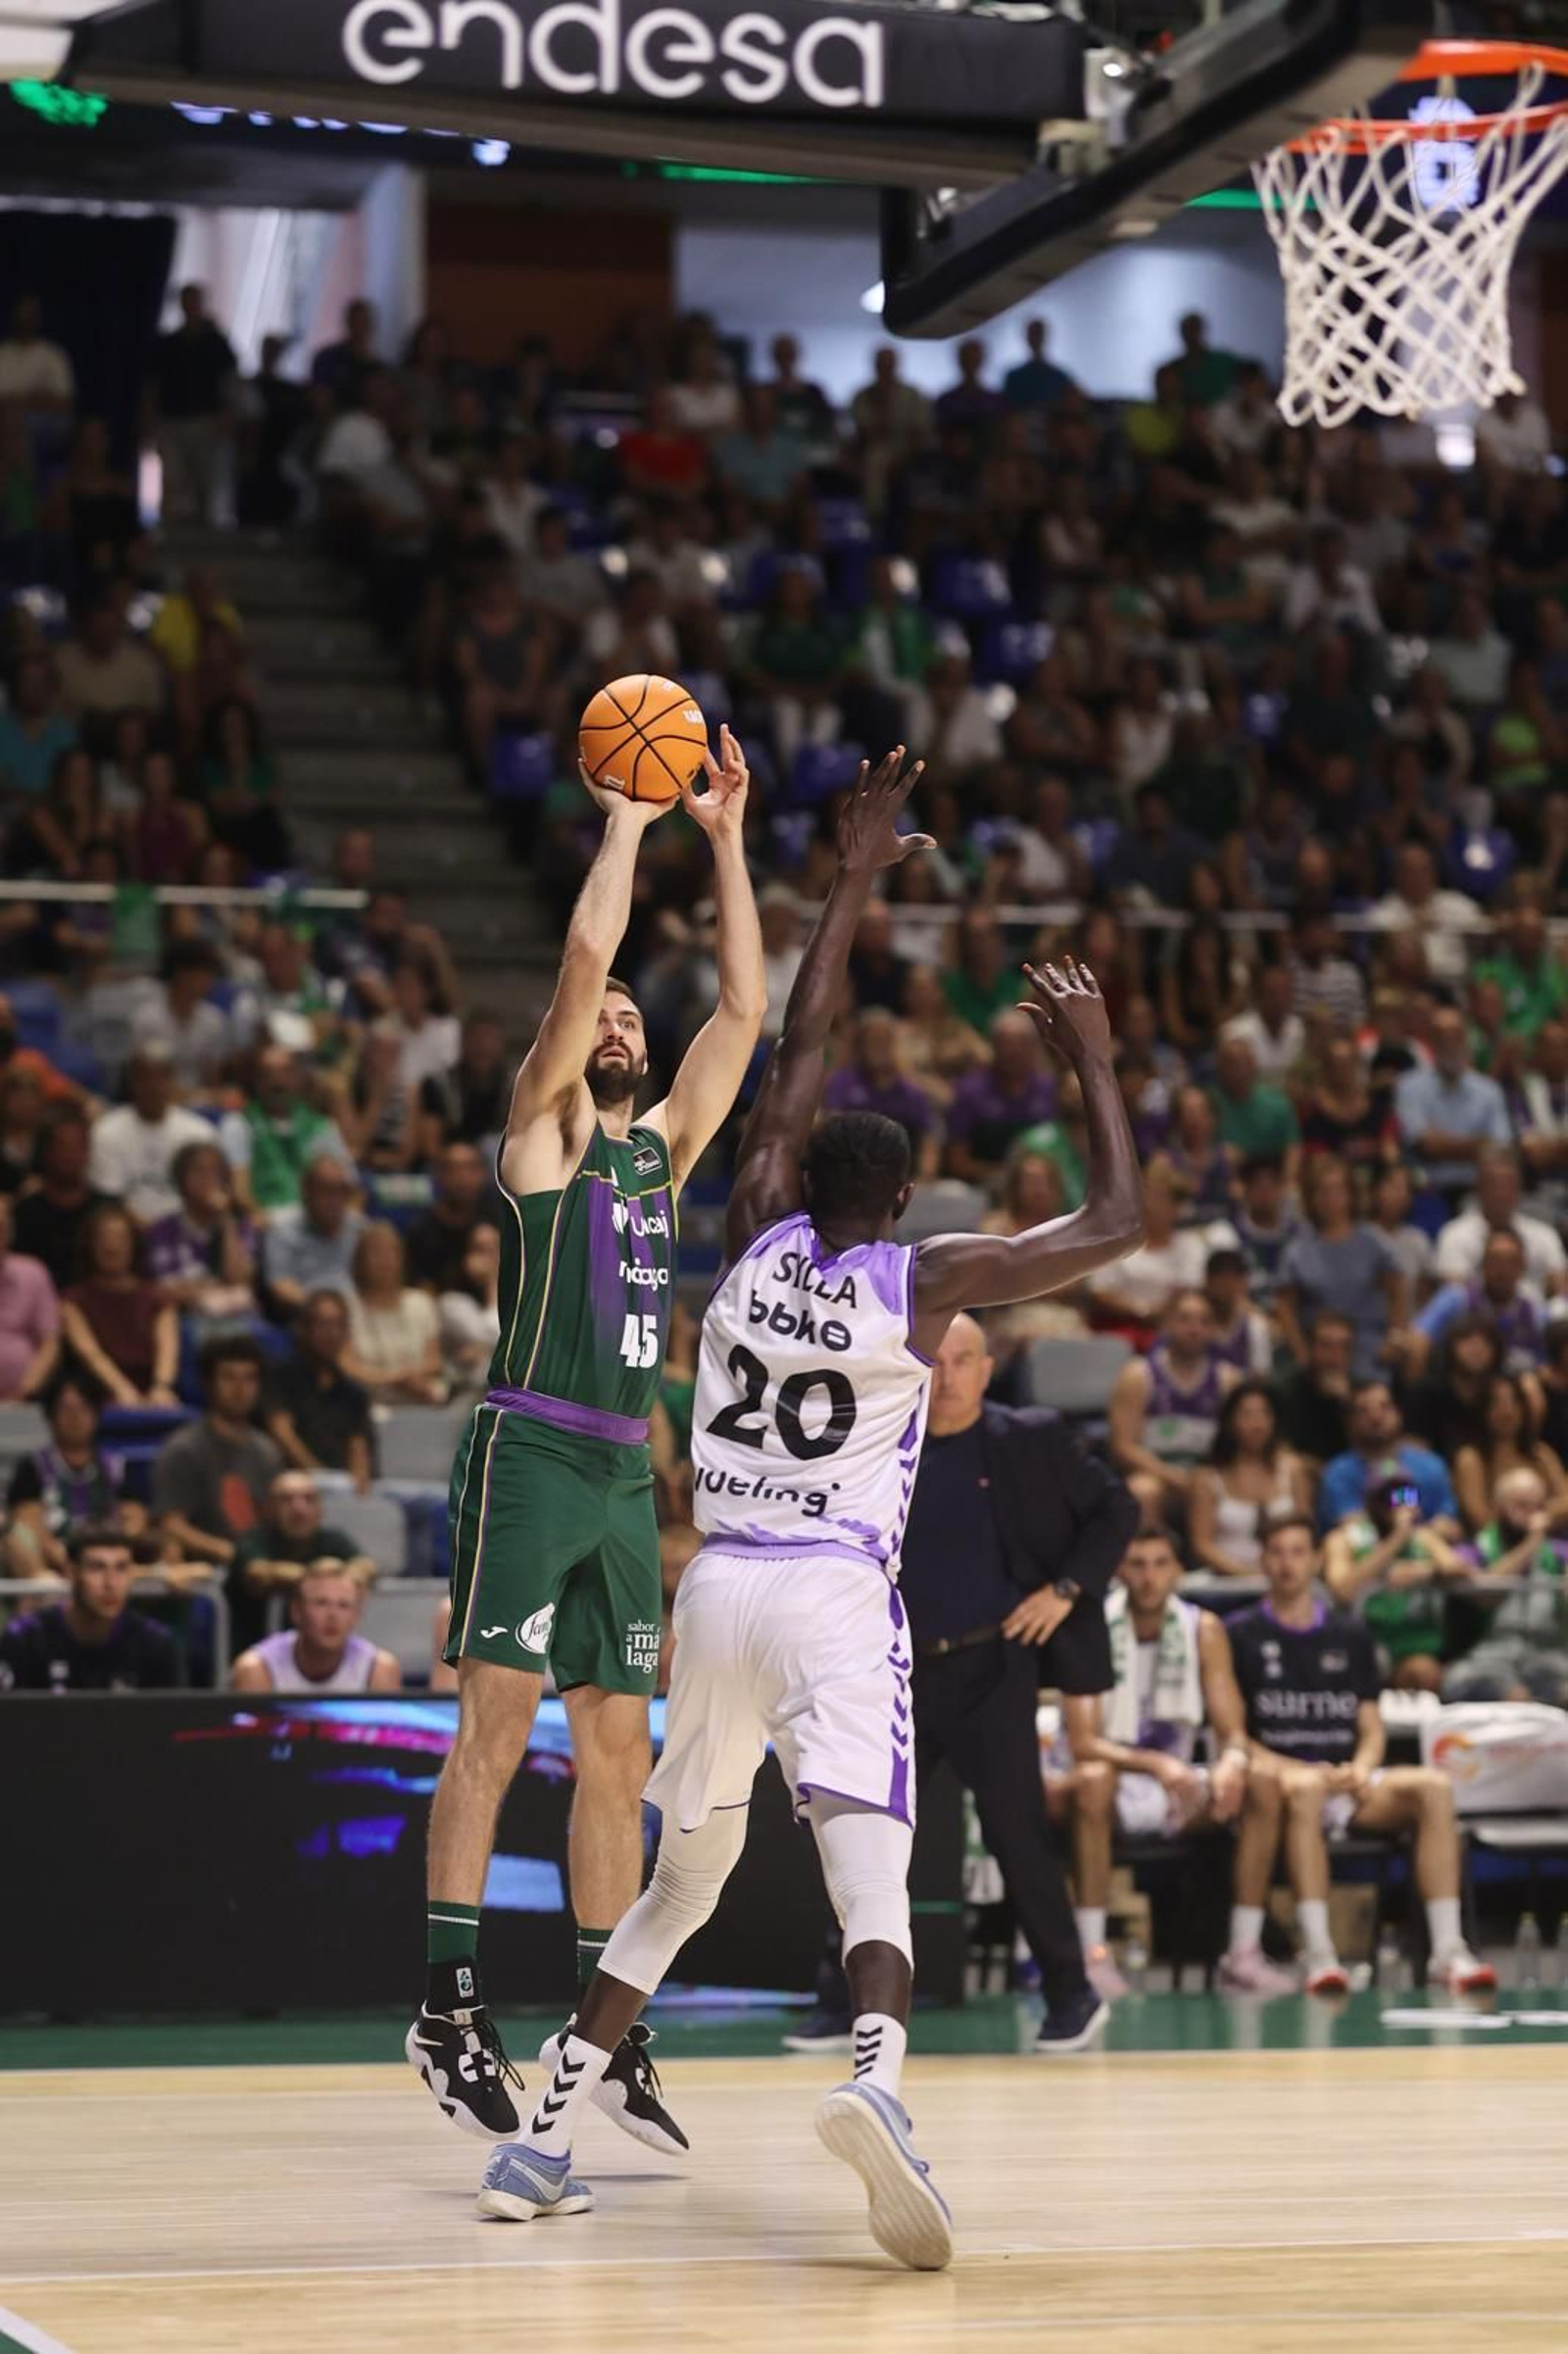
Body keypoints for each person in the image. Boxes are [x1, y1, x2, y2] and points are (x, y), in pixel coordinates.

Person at [477, 756, 1142, 2262]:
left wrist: (847, 878)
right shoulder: (926, 1282)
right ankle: (878, 2081)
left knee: (683, 1878)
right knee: (869, 1852)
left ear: (802, 1178)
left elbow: (796, 1043)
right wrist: (1093, 1059)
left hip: (715, 1584)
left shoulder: (749, 1222)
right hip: (835, 1588)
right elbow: (1117, 1222)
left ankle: (543, 2131)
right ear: (900, 1204)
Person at [410, 724, 765, 2155]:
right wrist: (624, 821)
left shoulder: (660, 1153)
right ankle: (447, 2007)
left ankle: (605, 2026)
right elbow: (578, 961)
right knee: (495, 1730)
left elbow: (742, 1010)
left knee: (619, 1756)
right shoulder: (544, 1137)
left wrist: (726, 842)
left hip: (623, 1470)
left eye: (630, 1015)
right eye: (603, 1016)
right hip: (530, 1450)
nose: (617, 1021)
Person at [793, 1312, 1137, 2045]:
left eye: (963, 1361)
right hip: (894, 1677)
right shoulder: (878, 1440)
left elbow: (1118, 1508)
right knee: (865, 1838)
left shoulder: (1029, 1438)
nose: (946, 1376)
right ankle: (841, 2000)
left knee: (1019, 1837)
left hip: (993, 1668)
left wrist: (1066, 1590)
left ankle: (1072, 1994)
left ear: (987, 1369)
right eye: (935, 1361)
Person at [1227, 1515, 1494, 1994]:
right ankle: (1320, 1955)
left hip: (1348, 1779)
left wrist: (1364, 1765)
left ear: (1315, 1560)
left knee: (1434, 1787)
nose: (1288, 1564)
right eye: (1277, 1553)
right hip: (1283, 1781)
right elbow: (1234, 1736)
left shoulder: (1350, 1633)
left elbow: (1370, 1724)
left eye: (1298, 1552)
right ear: (1262, 1561)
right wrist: (1301, 1769)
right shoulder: (1239, 1633)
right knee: (1307, 1787)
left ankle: (1448, 1951)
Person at [1057, 1529, 1280, 1997]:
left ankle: (1243, 1953)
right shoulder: (1091, 1624)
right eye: (1138, 1564)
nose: (1149, 1577)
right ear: (1120, 1571)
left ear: (1178, 1571)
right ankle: (1093, 1956)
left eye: (1161, 1564)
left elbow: (1232, 1731)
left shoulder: (1203, 1629)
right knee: (1093, 1780)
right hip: (1116, 1781)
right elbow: (1083, 1742)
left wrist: (1231, 1762)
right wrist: (1156, 1764)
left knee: (1259, 1781)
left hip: (1176, 1786)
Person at [1323, 1470, 1469, 1692]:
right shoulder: (1345, 1538)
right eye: (1393, 1497)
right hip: (1366, 1639)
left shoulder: (1423, 1537)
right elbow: (1341, 1590)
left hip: (1416, 1643)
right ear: (1374, 1502)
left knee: (1424, 1671)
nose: (1402, 1504)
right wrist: (1396, 1541)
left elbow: (1460, 1569)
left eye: (1408, 1496)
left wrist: (1424, 1571)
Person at [1108, 1288, 1239, 1525]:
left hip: (1208, 1477)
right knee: (1143, 1490)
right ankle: (1150, 1548)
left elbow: (1238, 1444)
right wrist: (1174, 1477)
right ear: (1167, 1323)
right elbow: (1123, 1447)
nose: (1194, 1329)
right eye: (1184, 1319)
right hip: (1157, 1474)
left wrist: (1206, 1479)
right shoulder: (1138, 1375)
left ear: (1213, 1329)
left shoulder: (1227, 1379)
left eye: (1204, 1321)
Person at [0, 1523, 180, 1693]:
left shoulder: (155, 1643)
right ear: (71, 1572)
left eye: (121, 1568)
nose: (110, 1583)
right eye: (96, 1568)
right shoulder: (25, 1638)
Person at [152, 1336, 279, 1572]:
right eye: (229, 1377)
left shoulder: (267, 1451)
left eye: (249, 1378)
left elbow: (271, 1521)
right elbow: (171, 1524)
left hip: (259, 1571)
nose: (240, 1388)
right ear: (208, 1384)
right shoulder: (183, 1449)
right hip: (205, 1573)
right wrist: (229, 1553)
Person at [1275, 1154, 1407, 1381]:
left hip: (1368, 1347)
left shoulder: (1374, 1242)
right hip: (1318, 1351)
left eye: (1337, 1190)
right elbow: (1284, 1305)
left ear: (1351, 1195)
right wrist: (1300, 1350)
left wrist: (1395, 1337)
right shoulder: (1297, 1250)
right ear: (1311, 1197)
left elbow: (1397, 1290)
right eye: (1322, 1191)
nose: (1330, 1199)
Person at [1446, 1466, 1568, 1706]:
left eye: (1538, 1506)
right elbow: (1485, 1593)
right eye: (1521, 1505)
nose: (1532, 1515)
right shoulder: (1475, 1549)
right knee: (1511, 1694)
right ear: (1498, 1508)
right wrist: (1531, 1543)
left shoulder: (1558, 1553)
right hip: (1488, 1658)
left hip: (1547, 1658)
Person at [4, 1374, 137, 1581]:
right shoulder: (32, 1467)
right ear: (51, 1416)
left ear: (96, 1414)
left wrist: (110, 1556)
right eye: (66, 1409)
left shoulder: (117, 1466)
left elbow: (135, 1519)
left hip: (109, 1558)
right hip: (51, 1566)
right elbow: (27, 1522)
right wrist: (63, 1558)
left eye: (83, 1408)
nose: (75, 1417)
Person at [226, 1468, 369, 1658]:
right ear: (269, 1508)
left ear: (320, 1509)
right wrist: (321, 1578)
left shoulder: (332, 1539)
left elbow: (365, 1566)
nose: (299, 1509)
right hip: (255, 1653)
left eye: (308, 1499)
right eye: (287, 1500)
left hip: (323, 1656)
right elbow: (257, 1571)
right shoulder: (254, 1540)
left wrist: (345, 1578)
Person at [60, 1202, 178, 1408]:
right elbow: (90, 1353)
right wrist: (122, 1389)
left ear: (134, 1244)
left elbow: (167, 1349)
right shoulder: (73, 1300)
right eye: (103, 1238)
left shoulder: (158, 1298)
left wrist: (161, 1387)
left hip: (152, 1391)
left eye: (120, 1238)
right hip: (96, 1395)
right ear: (90, 1245)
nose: (112, 1247)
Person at [1189, 1380, 1311, 1580]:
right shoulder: (1207, 1479)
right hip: (1225, 1582)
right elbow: (1202, 1545)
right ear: (1229, 1421)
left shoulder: (1293, 1469)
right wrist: (1246, 1575)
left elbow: (1305, 1531)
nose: (1257, 1424)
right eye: (1247, 1415)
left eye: (1264, 1414)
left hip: (1286, 1579)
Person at [1395, 1008, 1512, 1202]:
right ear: (1432, 1041)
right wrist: (1479, 1145)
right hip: (1428, 1192)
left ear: (1466, 1039)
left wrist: (1442, 1144)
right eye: (1442, 1037)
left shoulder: (1489, 1090)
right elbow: (1425, 1145)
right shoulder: (1408, 1086)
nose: (1449, 1044)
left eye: (1456, 1036)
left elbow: (1500, 1148)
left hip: (1479, 1192)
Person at [232, 1559, 401, 1695]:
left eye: (343, 1605)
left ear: (356, 1615)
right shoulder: (258, 1668)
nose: (332, 1616)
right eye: (321, 1603)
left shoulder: (378, 1669)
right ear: (296, 1611)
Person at [264, 1290, 375, 1493]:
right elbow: (282, 1433)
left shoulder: (354, 1393)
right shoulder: (280, 1376)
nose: (332, 1333)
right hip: (293, 1483)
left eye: (339, 1325)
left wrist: (359, 1489)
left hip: (344, 1486)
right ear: (304, 1329)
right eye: (324, 1324)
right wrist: (317, 1476)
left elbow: (358, 1448)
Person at [87, 1048, 213, 1225]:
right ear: (132, 1082)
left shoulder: (199, 1133)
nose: (153, 1087)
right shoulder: (106, 1131)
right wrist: (155, 1234)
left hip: (188, 1233)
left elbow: (208, 1194)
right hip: (130, 1234)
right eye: (145, 1078)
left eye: (161, 1078)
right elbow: (110, 1201)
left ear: (172, 1081)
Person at [1318, 1379, 1458, 1530]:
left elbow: (1450, 1524)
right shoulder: (1338, 1474)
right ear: (1350, 1422)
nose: (1376, 1417)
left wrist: (1419, 1528)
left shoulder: (1431, 1466)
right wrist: (1396, 1528)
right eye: (1364, 1410)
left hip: (1426, 1541)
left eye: (1384, 1407)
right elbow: (1349, 1527)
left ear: (1399, 1414)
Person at [1451, 1372, 1568, 1536]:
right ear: (1482, 1409)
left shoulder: (1540, 1453)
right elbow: (1479, 1517)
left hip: (1548, 1541)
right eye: (1496, 1402)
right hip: (1492, 1547)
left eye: (1514, 1401)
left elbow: (1566, 1502)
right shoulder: (1470, 1458)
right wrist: (1523, 1520)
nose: (1507, 1411)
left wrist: (1537, 1516)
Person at [343, 1223, 445, 1405]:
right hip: (370, 1403)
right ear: (360, 1261)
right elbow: (347, 1365)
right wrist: (393, 1379)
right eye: (376, 1252)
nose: (385, 1260)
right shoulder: (347, 1308)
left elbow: (434, 1361)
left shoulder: (421, 1302)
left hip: (420, 1396)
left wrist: (411, 1379)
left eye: (391, 1252)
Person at [12, 1107, 109, 1294]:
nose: (71, 1156)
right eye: (63, 1147)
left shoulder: (105, 1210)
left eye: (79, 1147)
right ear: (46, 1153)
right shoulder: (25, 1212)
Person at [260, 1156, 364, 1315]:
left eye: (341, 1190)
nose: (334, 1199)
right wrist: (326, 1311)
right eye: (326, 1190)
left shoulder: (360, 1229)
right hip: (308, 1316)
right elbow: (280, 1285)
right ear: (307, 1192)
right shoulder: (283, 1232)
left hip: (360, 1314)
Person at [1271, 1308, 1355, 1469]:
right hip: (1302, 1475)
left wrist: (1348, 1404)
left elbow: (1374, 1450)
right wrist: (1324, 1471)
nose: (1335, 1356)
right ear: (1309, 1348)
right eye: (1326, 1346)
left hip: (1352, 1478)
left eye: (1344, 1347)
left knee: (1393, 1470)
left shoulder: (1361, 1394)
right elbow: (1281, 1451)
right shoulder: (1283, 1391)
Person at [404, 1141, 490, 1294]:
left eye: (470, 1168)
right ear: (438, 1176)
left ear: (482, 1175)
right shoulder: (421, 1231)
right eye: (453, 1169)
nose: (462, 1178)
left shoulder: (497, 1225)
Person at [0, 1192, 60, 1402]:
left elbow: (50, 1342)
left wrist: (26, 1390)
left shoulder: (33, 1273)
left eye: (2, 1226)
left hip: (24, 1400)